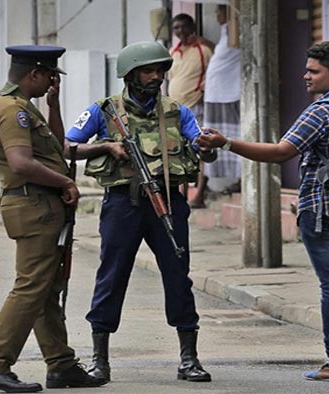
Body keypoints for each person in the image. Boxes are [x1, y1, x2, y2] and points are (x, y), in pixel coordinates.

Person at [197, 41, 329, 382]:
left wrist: (227, 143)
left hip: (325, 210)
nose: (305, 76)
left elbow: (280, 152)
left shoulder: (322, 111)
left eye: (313, 71)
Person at [64, 41, 215, 384]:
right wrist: (105, 146)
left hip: (168, 203)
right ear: (130, 74)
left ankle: (188, 357)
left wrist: (206, 146)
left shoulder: (177, 111)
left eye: (160, 70)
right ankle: (99, 360)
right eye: (148, 71)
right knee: (112, 276)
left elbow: (198, 145)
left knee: (178, 276)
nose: (156, 77)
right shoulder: (103, 110)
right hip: (123, 204)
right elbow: (67, 145)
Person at [0, 45, 106, 393]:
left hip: (39, 206)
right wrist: (66, 181)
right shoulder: (12, 111)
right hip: (33, 206)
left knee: (46, 289)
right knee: (31, 286)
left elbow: (57, 148)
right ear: (34, 74)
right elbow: (21, 163)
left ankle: (61, 363)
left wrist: (53, 106)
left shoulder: (25, 109)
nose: (54, 80)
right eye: (51, 75)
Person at [168, 13, 213, 208]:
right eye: (176, 28)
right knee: (179, 150)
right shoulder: (173, 52)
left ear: (192, 27)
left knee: (201, 148)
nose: (180, 31)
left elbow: (211, 75)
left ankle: (200, 193)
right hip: (175, 107)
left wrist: (202, 93)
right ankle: (182, 194)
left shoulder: (203, 50)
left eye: (183, 27)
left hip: (196, 105)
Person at [201, 4, 242, 199]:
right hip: (216, 93)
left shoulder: (238, 31)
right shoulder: (226, 33)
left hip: (229, 94)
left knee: (235, 135)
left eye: (219, 10)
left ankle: (241, 178)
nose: (216, 15)